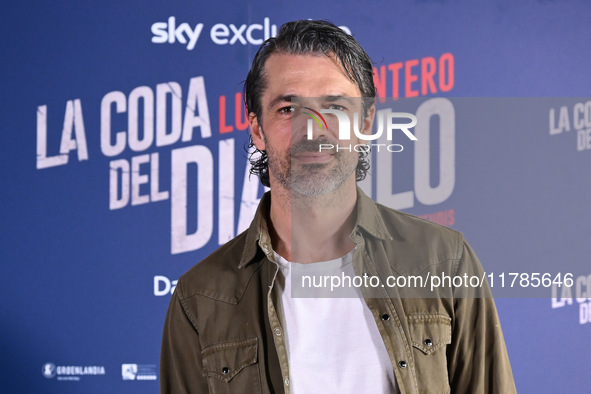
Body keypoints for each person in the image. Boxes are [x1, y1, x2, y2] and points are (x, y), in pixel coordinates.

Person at [160, 20, 516, 393]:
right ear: (257, 130)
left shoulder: (444, 260)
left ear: (365, 122)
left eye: (335, 106)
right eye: (287, 108)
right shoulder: (200, 297)